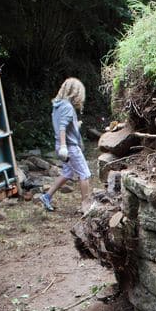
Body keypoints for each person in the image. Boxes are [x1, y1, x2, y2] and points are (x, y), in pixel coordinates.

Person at [36, 77, 93, 214]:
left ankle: (46, 196)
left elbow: (63, 125)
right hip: (69, 147)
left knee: (67, 173)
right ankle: (86, 205)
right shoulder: (67, 107)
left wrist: (75, 125)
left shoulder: (58, 106)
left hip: (61, 145)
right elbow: (62, 127)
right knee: (84, 174)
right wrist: (64, 147)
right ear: (75, 92)